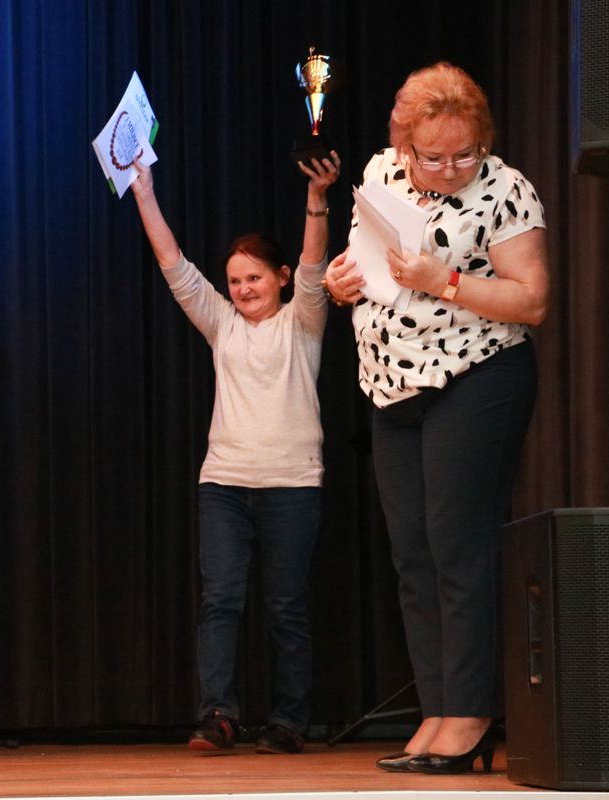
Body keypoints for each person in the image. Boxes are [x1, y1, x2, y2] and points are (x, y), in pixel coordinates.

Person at [323, 62, 547, 774]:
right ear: (406, 142)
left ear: (483, 139)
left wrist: (445, 281)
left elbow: (532, 299)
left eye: (463, 154)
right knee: (414, 555)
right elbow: (362, 264)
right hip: (391, 388)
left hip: (478, 378)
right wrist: (339, 282)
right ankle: (439, 708)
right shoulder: (380, 174)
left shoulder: (506, 190)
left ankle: (473, 715)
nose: (449, 169)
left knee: (459, 546)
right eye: (433, 156)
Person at [130, 151, 340, 754]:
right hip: (223, 485)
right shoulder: (221, 324)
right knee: (219, 601)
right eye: (236, 281)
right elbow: (173, 264)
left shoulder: (303, 320)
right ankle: (219, 715)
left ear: (280, 278)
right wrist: (144, 193)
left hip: (292, 487)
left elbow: (314, 263)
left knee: (286, 606)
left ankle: (289, 721)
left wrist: (317, 199)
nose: (244, 289)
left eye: (255, 278)